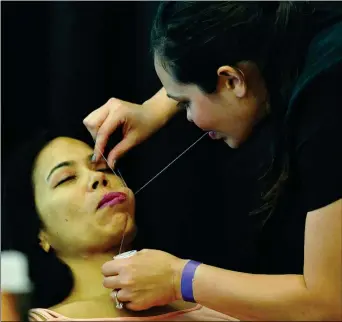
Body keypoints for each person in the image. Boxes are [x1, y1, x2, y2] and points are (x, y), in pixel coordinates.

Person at [82, 2, 342, 321]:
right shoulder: (284, 27)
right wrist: (153, 109)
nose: (188, 117)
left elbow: (329, 301)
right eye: (66, 179)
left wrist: (180, 279)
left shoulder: (327, 100)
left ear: (232, 80)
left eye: (185, 103)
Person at [3, 131, 238, 321]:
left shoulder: (215, 300)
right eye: (66, 178)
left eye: (103, 168)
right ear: (40, 233)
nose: (97, 178)